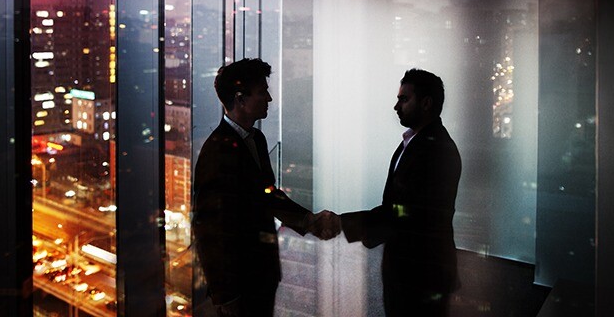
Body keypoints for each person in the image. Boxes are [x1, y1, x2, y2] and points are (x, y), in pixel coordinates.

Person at [193, 58, 339, 317]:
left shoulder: (255, 139)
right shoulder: (216, 151)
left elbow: (267, 194)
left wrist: (307, 220)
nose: (269, 99)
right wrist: (226, 295)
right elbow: (208, 228)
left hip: (261, 273)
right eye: (263, 92)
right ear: (240, 99)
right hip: (239, 283)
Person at [340, 68, 462, 317]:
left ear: (426, 103)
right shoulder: (413, 143)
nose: (396, 106)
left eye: (404, 99)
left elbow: (408, 213)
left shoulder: (437, 150)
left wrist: (342, 223)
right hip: (410, 273)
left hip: (422, 277)